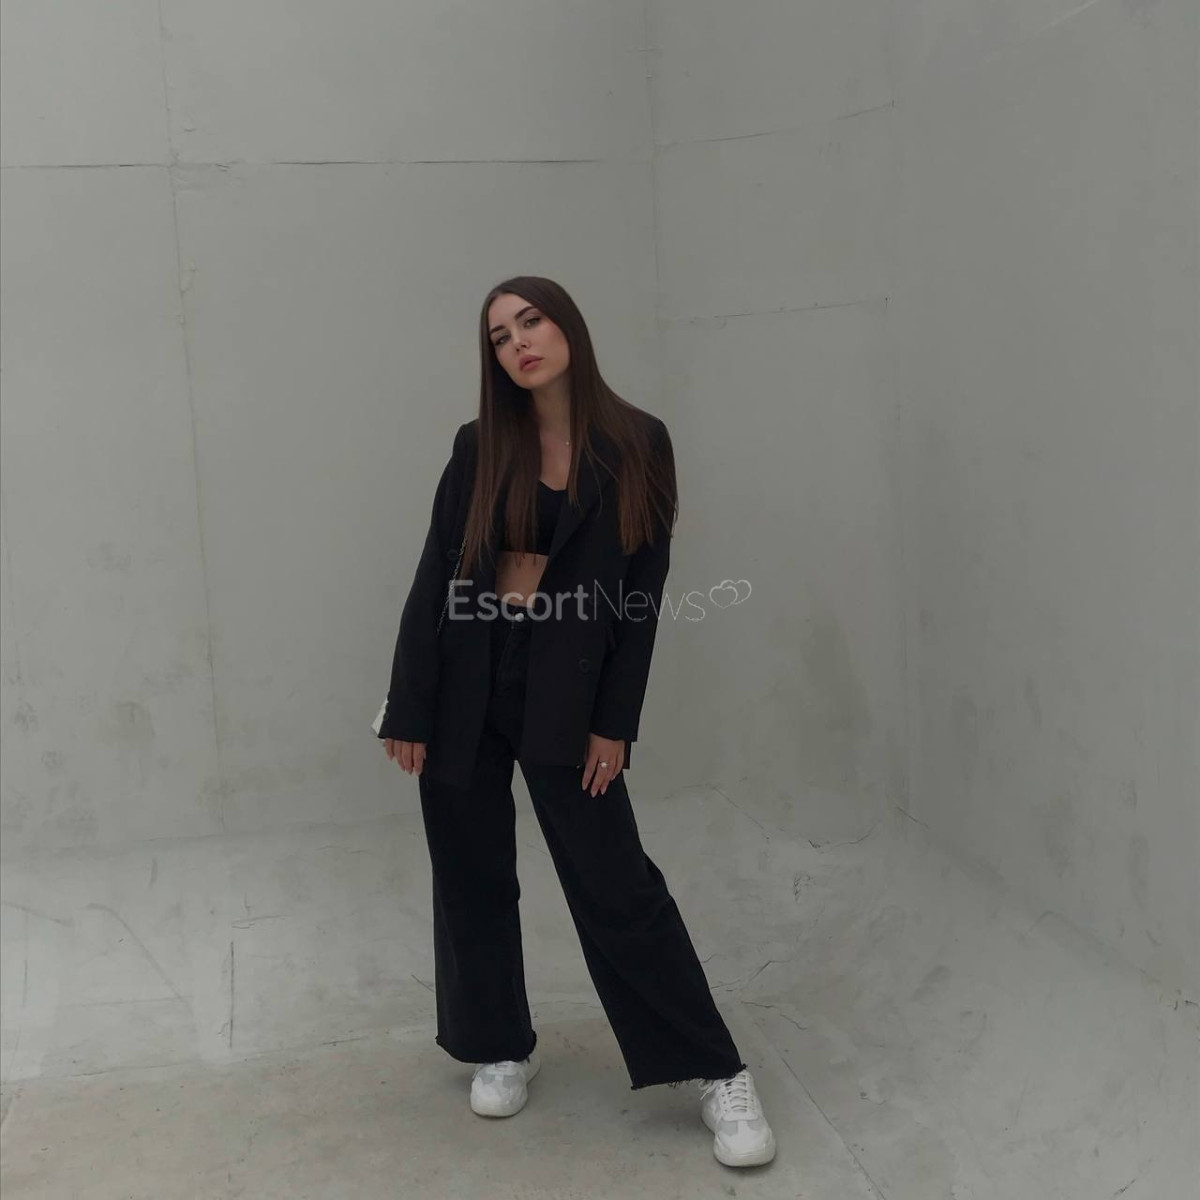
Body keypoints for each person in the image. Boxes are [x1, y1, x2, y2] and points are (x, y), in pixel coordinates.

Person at [376, 275, 776, 1168]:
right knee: (471, 874)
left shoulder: (638, 441)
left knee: (615, 883)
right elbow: (437, 572)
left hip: (570, 685)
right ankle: (499, 1044)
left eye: (531, 321)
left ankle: (714, 1070)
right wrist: (409, 702)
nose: (518, 342)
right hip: (468, 674)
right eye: (499, 336)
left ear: (567, 328)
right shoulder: (480, 444)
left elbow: (642, 594)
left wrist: (613, 724)